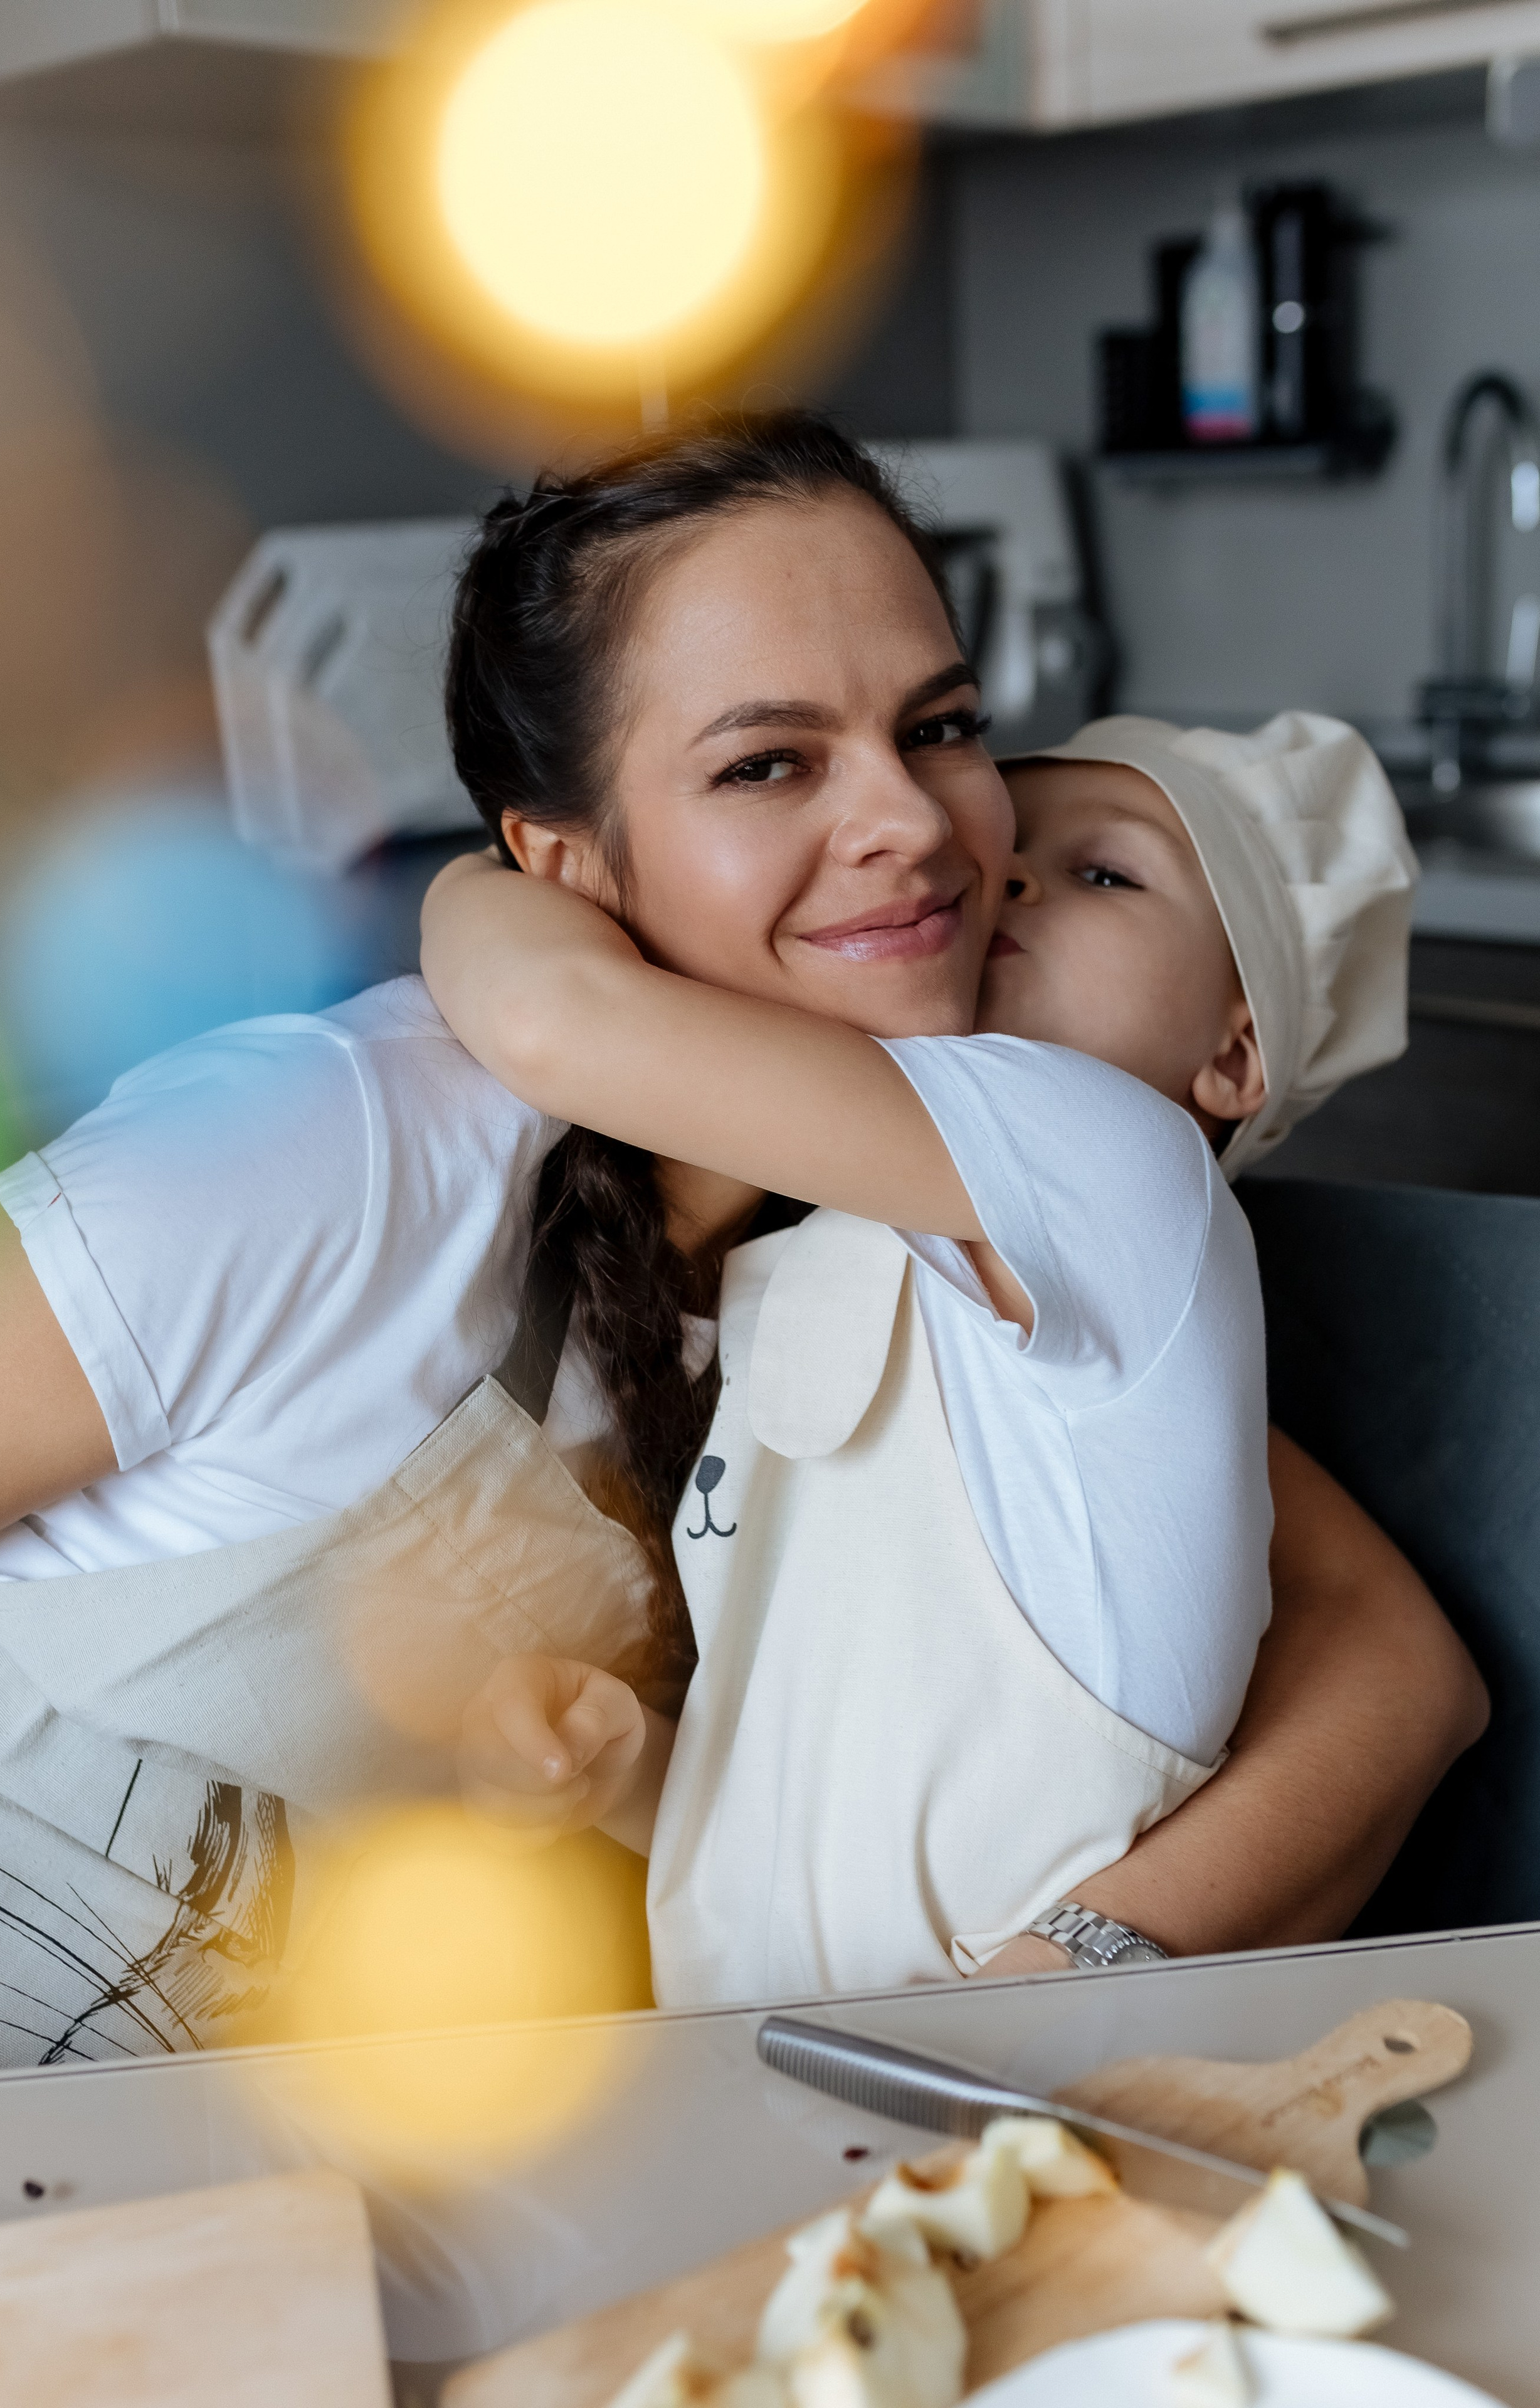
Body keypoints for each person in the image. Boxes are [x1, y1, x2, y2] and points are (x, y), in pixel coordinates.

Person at [0, 415, 1483, 2069]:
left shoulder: (920, 1232)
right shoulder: (339, 1145)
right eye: (768, 761)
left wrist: (1056, 1989)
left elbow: (1392, 1663)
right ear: (567, 860)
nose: (931, 828)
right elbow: (548, 1013)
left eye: (941, 726)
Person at [422, 660, 1418, 2003]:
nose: (1000, 878)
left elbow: (556, 1018)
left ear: (1231, 1062)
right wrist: (638, 1771)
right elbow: (827, 1807)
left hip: (993, 2099)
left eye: (1105, 876)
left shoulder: (1115, 1162)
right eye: (1006, 848)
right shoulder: (818, 1264)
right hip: (747, 2075)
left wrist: (480, 877)